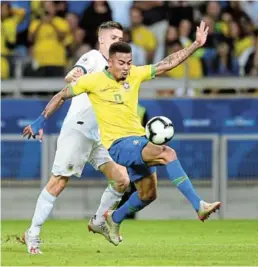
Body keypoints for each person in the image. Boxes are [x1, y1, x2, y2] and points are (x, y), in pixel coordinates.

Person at [23, 21, 221, 247]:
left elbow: (166, 64)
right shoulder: (93, 73)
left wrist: (195, 44)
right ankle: (199, 206)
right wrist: (40, 120)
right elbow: (64, 91)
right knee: (167, 153)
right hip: (112, 142)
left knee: (146, 193)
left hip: (125, 138)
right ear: (108, 56)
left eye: (129, 62)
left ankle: (111, 219)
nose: (126, 67)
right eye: (121, 62)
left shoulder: (135, 74)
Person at [21, 21, 130, 255]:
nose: (119, 42)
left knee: (121, 179)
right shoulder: (93, 58)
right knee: (59, 182)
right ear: (102, 40)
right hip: (79, 129)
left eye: (121, 38)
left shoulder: (121, 69)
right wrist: (74, 75)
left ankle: (99, 221)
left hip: (100, 135)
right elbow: (75, 74)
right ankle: (33, 232)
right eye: (114, 38)